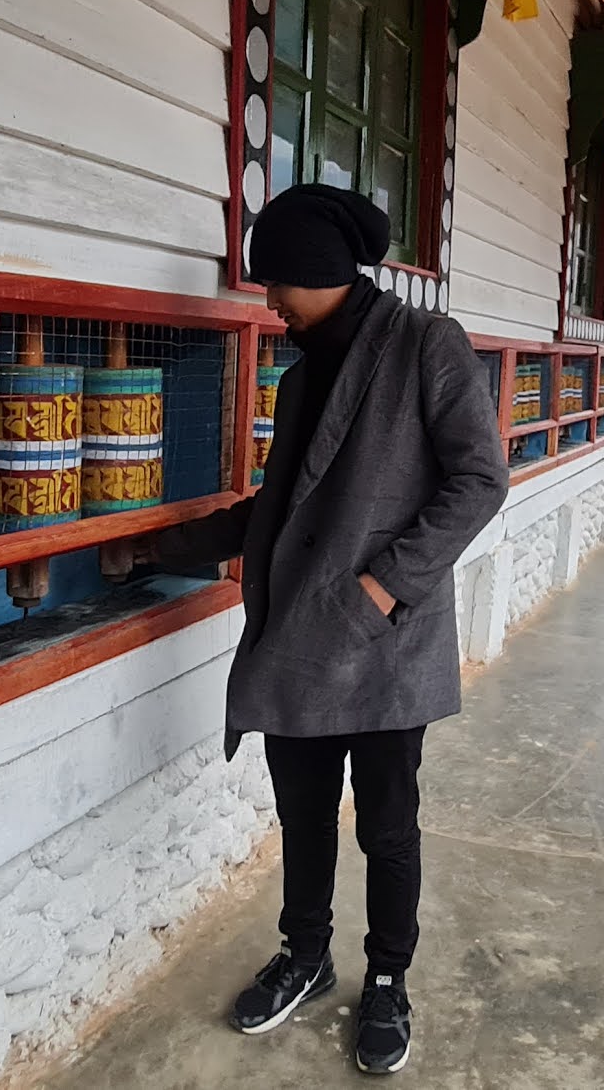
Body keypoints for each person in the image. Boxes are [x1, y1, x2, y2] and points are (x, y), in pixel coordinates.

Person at [140, 183, 506, 1075]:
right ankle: (305, 955)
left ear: (317, 273)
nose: (269, 303)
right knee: (302, 819)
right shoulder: (303, 373)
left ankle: (387, 979)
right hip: (299, 639)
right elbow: (285, 505)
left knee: (387, 825)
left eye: (277, 285)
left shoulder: (427, 344)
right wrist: (168, 544)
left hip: (384, 641)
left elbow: (478, 480)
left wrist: (382, 590)